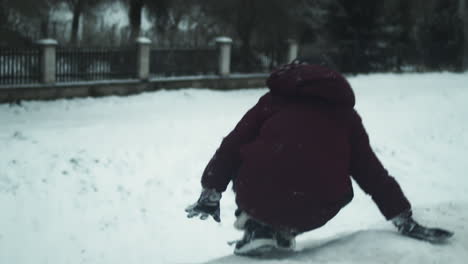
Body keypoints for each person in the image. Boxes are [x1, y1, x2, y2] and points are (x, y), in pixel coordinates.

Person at [185, 57, 453, 256]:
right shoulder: (345, 116)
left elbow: (232, 146)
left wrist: (211, 190)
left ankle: (259, 228)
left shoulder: (272, 101)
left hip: (259, 194)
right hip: (316, 207)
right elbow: (371, 171)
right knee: (307, 172)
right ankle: (285, 228)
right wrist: (402, 216)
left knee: (258, 158)